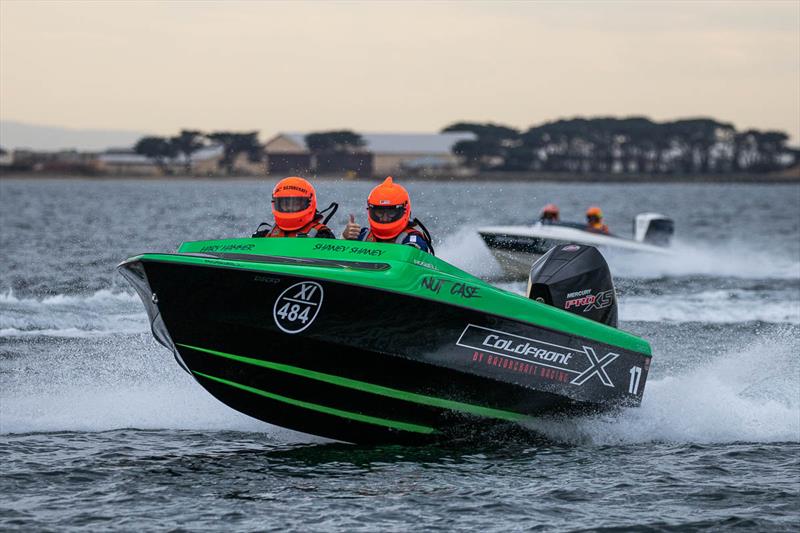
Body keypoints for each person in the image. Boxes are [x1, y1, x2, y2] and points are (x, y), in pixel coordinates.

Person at [342, 176, 433, 254]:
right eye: (380, 213)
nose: (385, 218)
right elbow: (341, 258)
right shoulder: (362, 236)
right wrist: (345, 238)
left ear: (404, 210)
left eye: (391, 213)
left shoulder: (413, 240)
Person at [252, 176, 336, 238]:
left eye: (295, 204)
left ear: (309, 203)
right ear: (276, 204)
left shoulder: (322, 234)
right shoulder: (264, 235)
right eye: (286, 204)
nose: (290, 208)